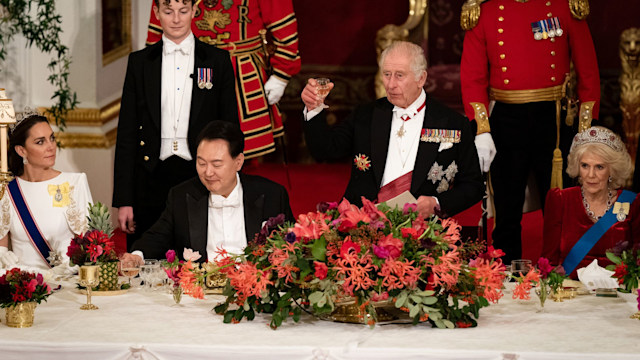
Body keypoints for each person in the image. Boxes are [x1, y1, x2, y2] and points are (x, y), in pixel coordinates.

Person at [460, 0, 601, 263]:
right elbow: (473, 77)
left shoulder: (564, 6)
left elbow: (588, 72)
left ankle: (562, 270)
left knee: (560, 203)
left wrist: (584, 130)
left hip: (554, 119)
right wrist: (481, 129)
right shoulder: (485, 11)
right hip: (505, 117)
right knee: (506, 207)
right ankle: (507, 278)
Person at [301, 41, 483, 218]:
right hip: (362, 225)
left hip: (422, 231)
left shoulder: (453, 123)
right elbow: (325, 150)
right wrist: (314, 108)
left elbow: (473, 186)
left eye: (400, 76)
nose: (390, 84)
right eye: (387, 74)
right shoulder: (366, 115)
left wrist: (437, 203)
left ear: (421, 78)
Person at [113, 0, 239, 251]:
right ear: (157, 12)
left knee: (197, 256)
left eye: (183, 11)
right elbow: (126, 134)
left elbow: (229, 129)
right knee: (146, 258)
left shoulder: (218, 60)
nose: (176, 19)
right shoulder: (139, 63)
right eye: (168, 12)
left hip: (200, 174)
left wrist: (230, 187)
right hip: (150, 176)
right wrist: (124, 200)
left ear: (194, 10)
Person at [119, 120, 293, 264]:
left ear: (238, 162)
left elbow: (293, 244)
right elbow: (157, 236)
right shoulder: (182, 196)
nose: (208, 173)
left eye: (217, 164)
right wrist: (137, 256)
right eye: (202, 164)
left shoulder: (272, 195)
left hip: (255, 293)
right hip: (201, 293)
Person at [145, 0, 301, 159]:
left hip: (241, 73)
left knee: (237, 151)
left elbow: (284, 25)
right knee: (193, 145)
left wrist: (281, 74)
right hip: (191, 68)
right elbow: (159, 26)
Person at [542, 127, 640, 277]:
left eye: (599, 167)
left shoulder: (631, 203)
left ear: (612, 170)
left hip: (617, 294)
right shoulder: (560, 200)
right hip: (571, 292)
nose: (591, 175)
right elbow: (548, 262)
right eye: (585, 166)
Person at [0, 112, 93, 271]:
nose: (50, 146)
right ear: (21, 151)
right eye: (40, 142)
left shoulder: (74, 183)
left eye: (52, 138)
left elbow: (90, 247)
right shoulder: (7, 191)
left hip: (66, 284)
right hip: (25, 288)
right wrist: (1, 254)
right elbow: (2, 246)